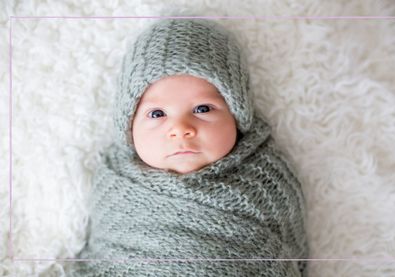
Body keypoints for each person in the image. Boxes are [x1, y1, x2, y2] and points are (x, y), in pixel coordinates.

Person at [67, 18, 308, 276]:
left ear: (237, 116)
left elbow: (292, 255)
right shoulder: (114, 183)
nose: (180, 128)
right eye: (157, 113)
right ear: (128, 126)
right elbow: (102, 257)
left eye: (202, 109)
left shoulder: (268, 181)